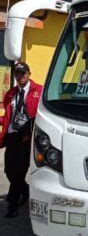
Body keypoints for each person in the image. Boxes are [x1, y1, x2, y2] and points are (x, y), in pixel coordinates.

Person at [0, 62, 42, 218]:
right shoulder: (10, 93)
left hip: (27, 138)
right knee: (9, 171)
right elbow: (8, 116)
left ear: (29, 74)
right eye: (17, 74)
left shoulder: (39, 91)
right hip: (12, 136)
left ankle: (12, 204)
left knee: (19, 171)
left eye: (23, 73)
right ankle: (25, 191)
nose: (20, 76)